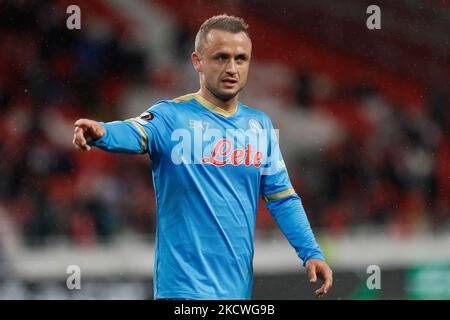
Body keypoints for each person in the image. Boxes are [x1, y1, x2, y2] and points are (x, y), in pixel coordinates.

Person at [72, 14, 332, 300]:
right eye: (221, 57)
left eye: (240, 58)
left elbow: (282, 198)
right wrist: (102, 133)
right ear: (198, 61)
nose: (231, 68)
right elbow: (135, 131)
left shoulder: (260, 127)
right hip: (182, 291)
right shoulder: (171, 116)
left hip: (237, 293)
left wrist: (311, 252)